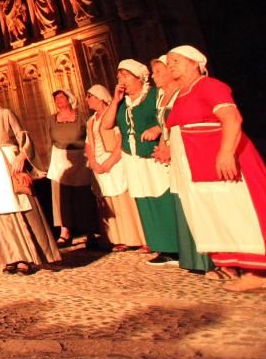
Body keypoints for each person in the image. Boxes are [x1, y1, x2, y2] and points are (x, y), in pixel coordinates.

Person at [165, 45, 266, 291]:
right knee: (217, 214)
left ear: (195, 63)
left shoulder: (209, 86)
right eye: (169, 62)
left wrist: (226, 152)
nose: (171, 66)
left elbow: (232, 118)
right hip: (198, 165)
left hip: (222, 161)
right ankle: (231, 265)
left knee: (240, 211)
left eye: (176, 60)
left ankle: (258, 272)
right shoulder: (181, 94)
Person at [0, 82, 60, 274]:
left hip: (7, 165)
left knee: (18, 206)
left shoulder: (6, 114)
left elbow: (23, 136)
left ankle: (26, 256)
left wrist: (21, 155)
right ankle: (9, 257)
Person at [100, 59, 178, 266]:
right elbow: (106, 125)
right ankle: (161, 246)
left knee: (163, 196)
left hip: (153, 156)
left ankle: (177, 246)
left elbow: (170, 116)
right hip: (132, 158)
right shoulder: (122, 102)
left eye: (125, 76)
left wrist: (158, 129)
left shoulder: (154, 95)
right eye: (119, 77)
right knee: (145, 200)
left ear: (139, 78)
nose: (121, 81)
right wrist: (115, 101)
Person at [152, 56, 212, 273]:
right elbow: (165, 125)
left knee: (194, 198)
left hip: (189, 148)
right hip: (175, 149)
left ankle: (206, 258)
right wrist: (163, 145)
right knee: (181, 198)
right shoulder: (162, 96)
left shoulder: (183, 92)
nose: (154, 76)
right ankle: (192, 258)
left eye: (159, 71)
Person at [83, 85, 146, 251]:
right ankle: (117, 239)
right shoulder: (90, 121)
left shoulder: (113, 115)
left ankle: (135, 237)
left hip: (114, 160)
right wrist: (94, 162)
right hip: (98, 162)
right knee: (108, 200)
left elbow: (120, 140)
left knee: (123, 199)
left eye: (90, 97)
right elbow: (89, 144)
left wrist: (110, 162)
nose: (87, 100)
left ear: (99, 97)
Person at [46, 90, 100, 248]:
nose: (58, 100)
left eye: (61, 97)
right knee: (62, 197)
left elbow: (90, 138)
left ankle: (90, 232)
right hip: (59, 159)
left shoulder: (81, 117)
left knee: (83, 195)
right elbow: (47, 140)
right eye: (56, 98)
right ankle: (65, 232)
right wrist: (48, 164)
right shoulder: (51, 119)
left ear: (70, 99)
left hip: (80, 158)